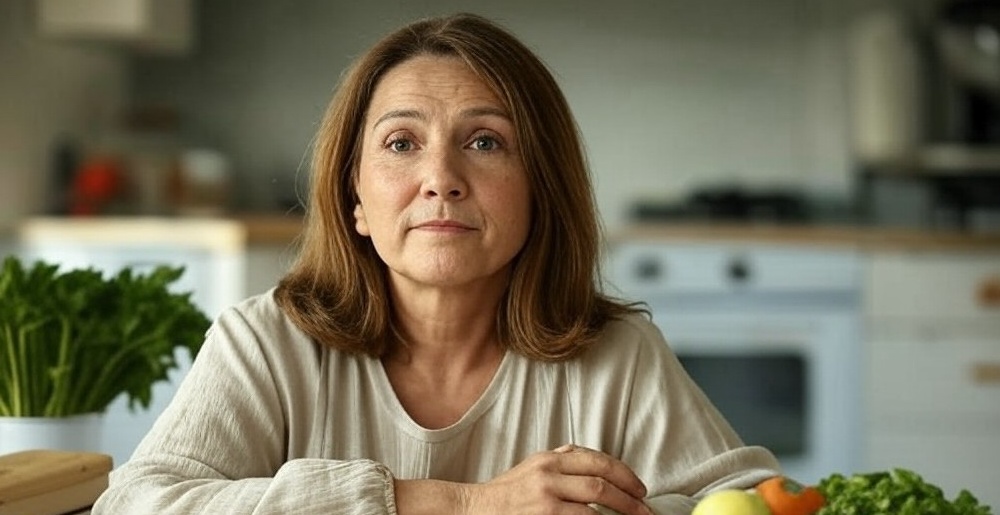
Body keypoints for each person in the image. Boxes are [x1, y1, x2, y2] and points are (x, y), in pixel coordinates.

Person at [93, 12, 781, 515]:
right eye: (401, 143)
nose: (440, 177)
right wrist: (459, 502)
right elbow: (136, 503)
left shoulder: (618, 357)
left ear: (540, 189)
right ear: (354, 197)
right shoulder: (265, 344)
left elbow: (752, 500)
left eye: (484, 141)